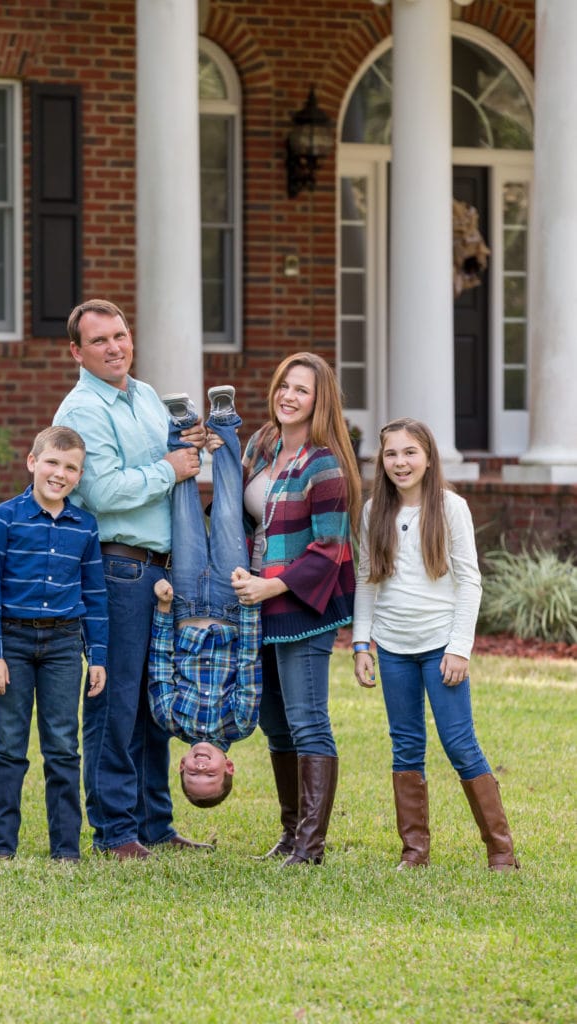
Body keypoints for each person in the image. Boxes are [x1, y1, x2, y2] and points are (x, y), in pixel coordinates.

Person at [52, 298, 212, 860]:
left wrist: (191, 447)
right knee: (115, 700)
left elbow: (170, 463)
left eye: (120, 335)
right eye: (99, 341)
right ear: (77, 351)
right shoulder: (81, 411)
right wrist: (167, 469)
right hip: (118, 567)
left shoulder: (144, 396)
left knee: (155, 701)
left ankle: (154, 823)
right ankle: (115, 831)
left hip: (164, 571)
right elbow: (100, 491)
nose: (115, 347)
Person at [352, 417, 520, 871]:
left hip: (440, 646)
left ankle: (501, 850)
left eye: (410, 453)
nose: (400, 462)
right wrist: (361, 643)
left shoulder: (450, 508)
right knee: (405, 746)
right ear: (381, 460)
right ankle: (414, 852)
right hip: (392, 647)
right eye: (391, 454)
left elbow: (470, 582)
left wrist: (459, 647)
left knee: (459, 743)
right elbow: (367, 581)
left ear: (428, 457)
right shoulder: (374, 513)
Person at [232, 353, 362, 866]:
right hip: (256, 599)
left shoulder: (324, 463)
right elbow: (237, 516)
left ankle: (310, 847)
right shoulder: (262, 444)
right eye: (284, 385)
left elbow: (329, 549)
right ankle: (290, 834)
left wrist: (272, 586)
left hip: (303, 606)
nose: (288, 396)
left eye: (301, 390)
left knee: (308, 721)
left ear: (319, 400)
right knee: (274, 723)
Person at [0, 425, 108, 861]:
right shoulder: (2, 519)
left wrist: (98, 656)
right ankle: (1, 847)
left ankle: (66, 850)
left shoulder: (85, 528)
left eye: (71, 468)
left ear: (79, 476)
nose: (60, 473)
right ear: (32, 463)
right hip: (11, 643)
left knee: (63, 747)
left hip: (64, 646)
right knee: (8, 745)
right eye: (52, 462)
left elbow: (94, 597)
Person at [148, 386, 262, 808]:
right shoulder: (242, 722)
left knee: (186, 514)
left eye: (193, 773)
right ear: (227, 767)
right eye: (208, 773)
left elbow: (160, 662)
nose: (200, 765)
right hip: (232, 603)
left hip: (185, 605)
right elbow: (249, 660)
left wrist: (163, 609)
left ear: (179, 766)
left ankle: (181, 430)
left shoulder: (169, 718)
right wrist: (249, 602)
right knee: (229, 510)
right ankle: (225, 425)